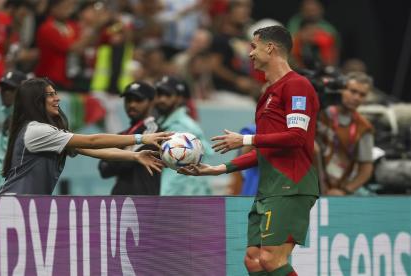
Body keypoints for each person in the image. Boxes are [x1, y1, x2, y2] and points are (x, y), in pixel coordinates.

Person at [179, 26, 319, 275]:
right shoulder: (267, 95)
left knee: (271, 261)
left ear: (270, 47)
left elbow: (296, 137)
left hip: (291, 185)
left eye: (253, 46)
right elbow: (268, 149)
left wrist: (246, 139)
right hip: (268, 188)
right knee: (253, 261)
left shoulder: (297, 86)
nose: (249, 53)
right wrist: (219, 169)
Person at [0, 78, 171, 195]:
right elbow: (92, 141)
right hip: (14, 204)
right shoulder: (37, 131)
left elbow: (93, 149)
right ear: (36, 100)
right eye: (50, 95)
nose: (57, 98)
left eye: (55, 93)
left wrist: (135, 156)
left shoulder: (48, 133)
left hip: (29, 206)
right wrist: (141, 139)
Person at [316, 72, 374, 196]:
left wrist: (345, 191)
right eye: (353, 91)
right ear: (341, 90)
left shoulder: (364, 127)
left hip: (336, 190)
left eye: (362, 95)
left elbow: (366, 169)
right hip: (310, 183)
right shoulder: (320, 113)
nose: (357, 97)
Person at [98, 81, 161, 195]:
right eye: (128, 100)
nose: (132, 104)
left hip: (144, 203)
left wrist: (116, 155)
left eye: (138, 100)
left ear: (151, 102)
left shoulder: (153, 133)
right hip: (120, 202)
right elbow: (104, 170)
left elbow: (114, 165)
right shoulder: (123, 134)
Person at [155, 75, 213, 195]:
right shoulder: (166, 123)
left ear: (180, 98)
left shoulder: (181, 128)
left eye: (167, 95)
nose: (161, 99)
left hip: (183, 200)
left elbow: (177, 173)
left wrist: (163, 201)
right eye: (159, 94)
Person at [0, 70, 28, 194]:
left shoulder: (25, 125)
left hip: (8, 200)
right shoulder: (8, 120)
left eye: (11, 89)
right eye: (3, 88)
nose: (5, 93)